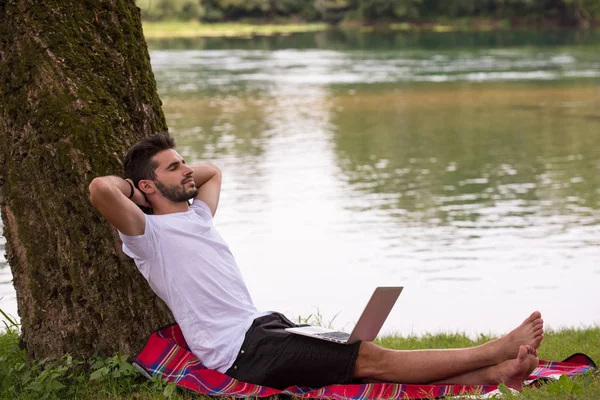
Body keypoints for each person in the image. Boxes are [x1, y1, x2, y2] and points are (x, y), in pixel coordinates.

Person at [89, 133, 544, 390]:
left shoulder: (199, 215)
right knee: (371, 358)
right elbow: (100, 190)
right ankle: (493, 351)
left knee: (355, 351)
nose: (188, 169)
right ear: (147, 188)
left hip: (265, 325)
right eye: (173, 168)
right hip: (239, 350)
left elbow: (214, 172)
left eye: (183, 161)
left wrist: (175, 172)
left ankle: (495, 373)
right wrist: (135, 190)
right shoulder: (147, 235)